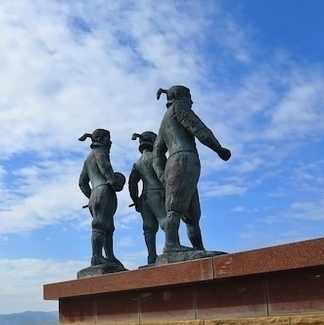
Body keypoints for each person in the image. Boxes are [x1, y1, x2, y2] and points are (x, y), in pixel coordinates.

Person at [153, 85, 230, 253]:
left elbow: (157, 153)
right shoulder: (178, 108)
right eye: (189, 97)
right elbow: (198, 128)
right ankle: (171, 245)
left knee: (192, 214)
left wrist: (162, 174)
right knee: (176, 207)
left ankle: (198, 249)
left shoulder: (164, 119)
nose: (192, 101)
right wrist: (219, 149)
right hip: (184, 159)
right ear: (181, 96)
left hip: (175, 164)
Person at [78, 129, 125, 268]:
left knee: (108, 227)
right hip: (104, 190)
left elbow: (82, 183)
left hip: (96, 192)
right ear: (100, 138)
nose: (110, 142)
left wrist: (91, 196)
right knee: (100, 225)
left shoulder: (87, 159)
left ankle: (109, 256)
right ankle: (97, 256)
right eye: (108, 138)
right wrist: (114, 180)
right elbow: (104, 167)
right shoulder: (100, 153)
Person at [127, 131, 166, 265]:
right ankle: (171, 248)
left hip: (144, 197)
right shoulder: (158, 157)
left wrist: (135, 200)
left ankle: (151, 257)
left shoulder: (137, 163)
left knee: (148, 228)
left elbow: (132, 183)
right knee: (165, 220)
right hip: (158, 193)